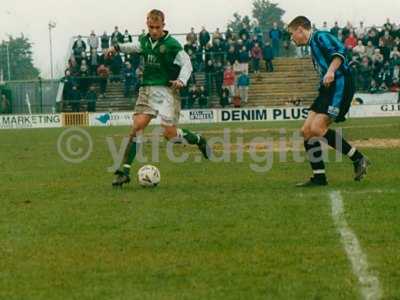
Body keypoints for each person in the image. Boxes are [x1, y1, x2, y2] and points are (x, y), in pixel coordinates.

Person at [107, 9, 211, 187]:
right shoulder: (145, 41)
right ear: (147, 25)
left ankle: (199, 140)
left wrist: (181, 80)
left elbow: (187, 63)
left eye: (157, 27)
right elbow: (132, 46)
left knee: (170, 135)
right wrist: (115, 48)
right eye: (150, 27)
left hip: (167, 92)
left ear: (163, 25)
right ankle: (123, 172)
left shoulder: (172, 45)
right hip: (147, 90)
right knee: (137, 127)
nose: (154, 31)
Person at [288, 16, 369, 187]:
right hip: (328, 89)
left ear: (300, 29)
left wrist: (331, 71)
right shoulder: (312, 45)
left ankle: (358, 158)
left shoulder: (320, 36)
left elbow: (340, 51)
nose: (291, 38)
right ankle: (319, 177)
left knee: (317, 128)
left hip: (340, 85)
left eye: (292, 33)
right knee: (306, 131)